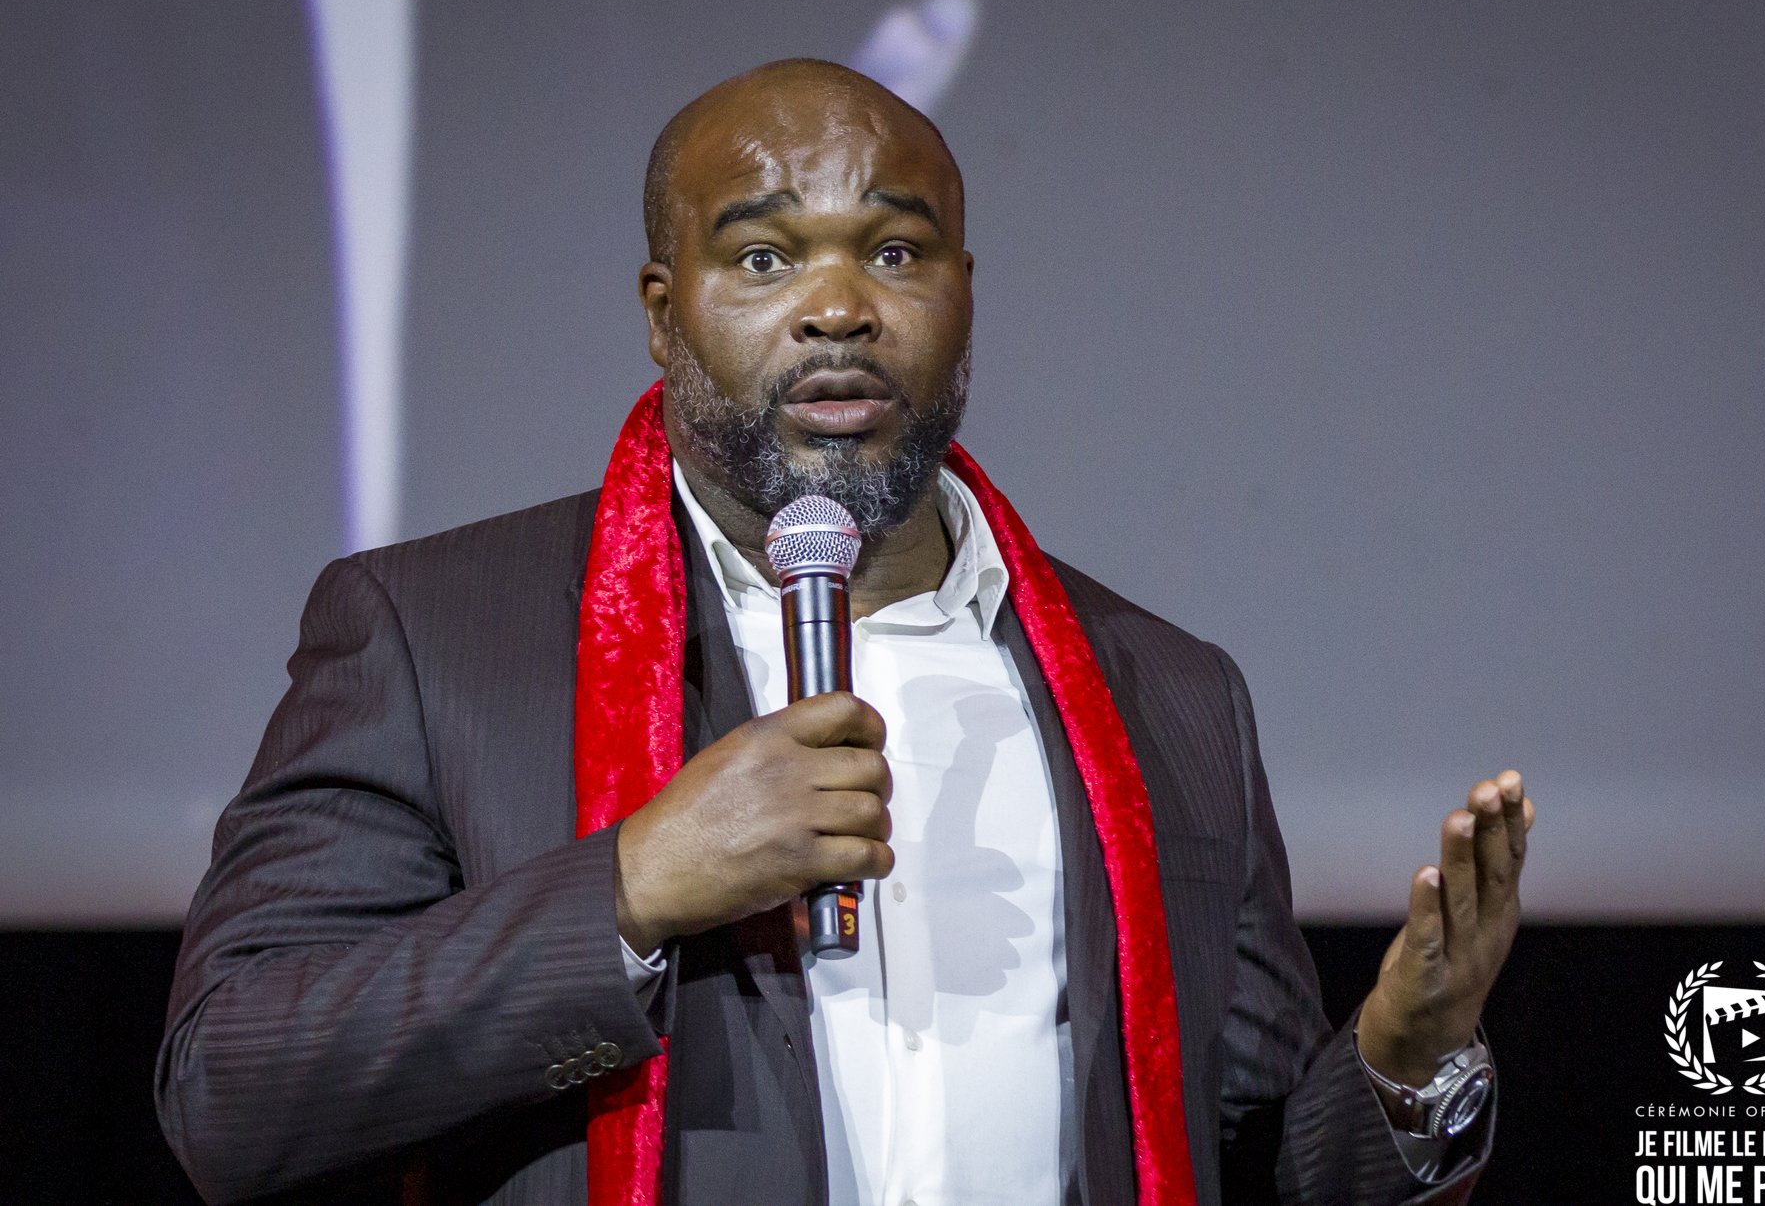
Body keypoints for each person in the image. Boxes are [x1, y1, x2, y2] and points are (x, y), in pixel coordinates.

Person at [157, 59, 1534, 1206]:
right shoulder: (436, 636)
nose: (838, 309)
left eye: (893, 251)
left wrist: (1406, 1058)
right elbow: (228, 1088)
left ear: (964, 293)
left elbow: (1248, 1161)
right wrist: (628, 891)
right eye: (763, 256)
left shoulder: (1169, 696)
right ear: (663, 312)